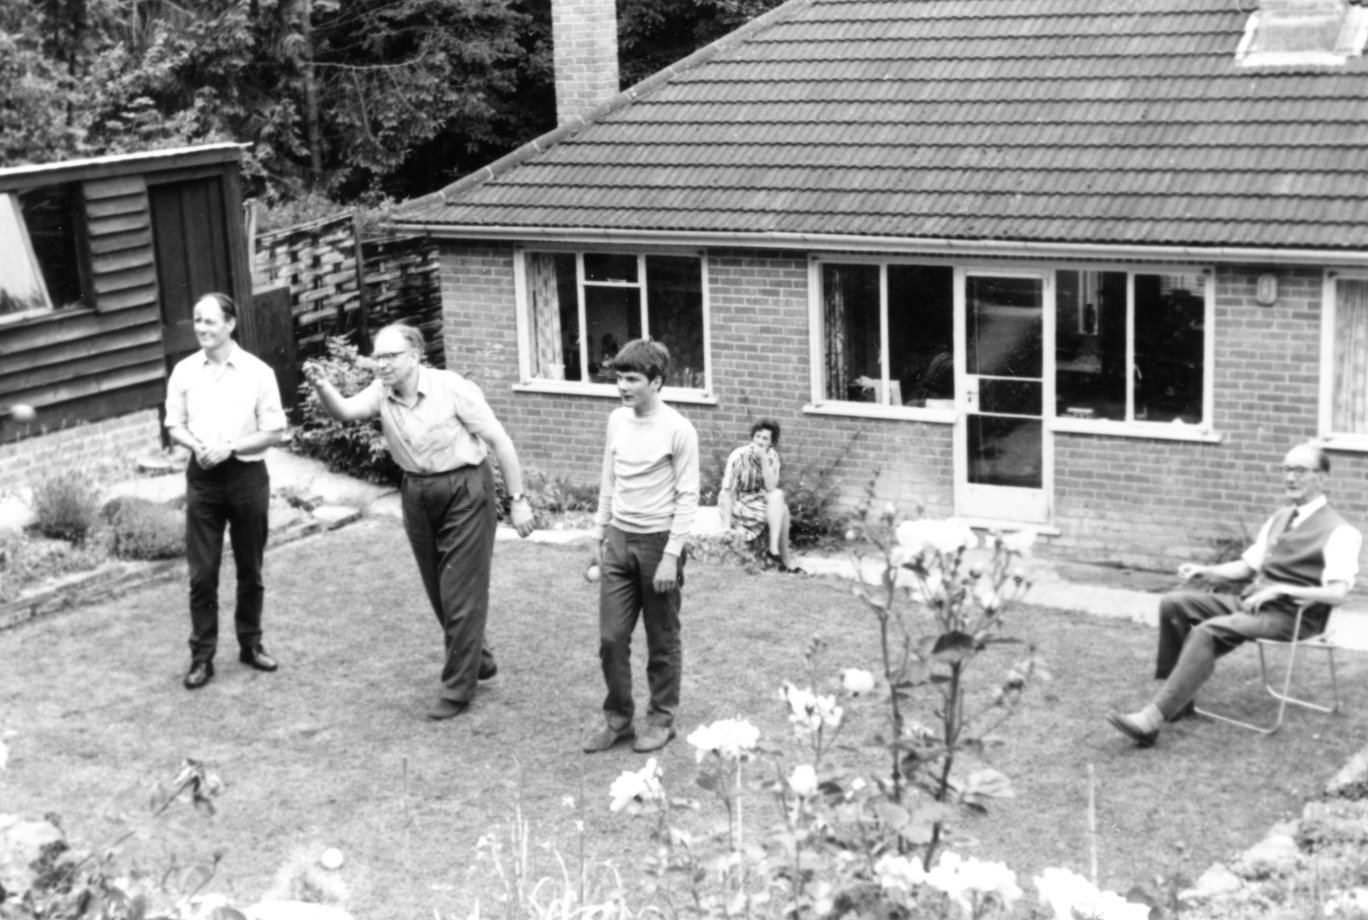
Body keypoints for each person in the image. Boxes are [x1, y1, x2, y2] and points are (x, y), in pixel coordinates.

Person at [302, 323, 535, 720]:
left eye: (390, 356)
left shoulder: (452, 388)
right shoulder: (380, 393)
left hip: (466, 490)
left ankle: (457, 689)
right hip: (417, 494)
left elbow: (500, 442)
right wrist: (324, 386)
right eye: (377, 356)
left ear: (415, 355)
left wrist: (518, 501)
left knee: (459, 590)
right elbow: (344, 412)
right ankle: (478, 660)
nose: (382, 364)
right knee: (439, 590)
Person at [1107, 441, 1362, 747]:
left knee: (1207, 632)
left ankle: (1152, 719)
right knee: (1175, 604)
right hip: (1252, 604)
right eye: (1286, 469)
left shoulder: (1341, 531)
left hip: (1293, 616)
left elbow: (1338, 593)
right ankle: (1176, 701)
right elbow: (1247, 566)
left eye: (1299, 470)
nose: (1290, 478)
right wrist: (1206, 571)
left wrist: (1281, 589)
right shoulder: (1280, 517)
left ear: (1322, 478)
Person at [164, 293, 289, 690]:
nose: (201, 328)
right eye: (197, 320)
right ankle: (202, 658)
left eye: (210, 321)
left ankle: (251, 645)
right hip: (203, 478)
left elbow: (274, 430)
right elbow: (174, 424)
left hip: (246, 478)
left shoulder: (258, 372)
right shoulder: (184, 371)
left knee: (250, 570)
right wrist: (195, 444)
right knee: (202, 575)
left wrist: (230, 447)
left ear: (230, 324)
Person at [582, 338, 699, 754]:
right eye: (619, 378)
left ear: (657, 381)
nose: (623, 386)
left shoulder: (679, 429)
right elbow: (609, 481)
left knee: (662, 639)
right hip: (618, 540)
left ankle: (662, 720)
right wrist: (598, 535)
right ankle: (618, 720)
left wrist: (671, 555)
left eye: (632, 379)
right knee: (611, 638)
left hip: (658, 546)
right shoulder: (617, 420)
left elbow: (688, 497)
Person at [718, 419, 796, 571]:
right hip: (738, 501)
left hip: (758, 499)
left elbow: (771, 487)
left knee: (778, 495)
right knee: (783, 511)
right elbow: (728, 492)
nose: (760, 441)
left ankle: (774, 550)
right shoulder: (739, 456)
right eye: (758, 437)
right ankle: (785, 559)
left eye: (765, 438)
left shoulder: (772, 456)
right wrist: (726, 526)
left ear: (772, 442)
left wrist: (764, 461)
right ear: (752, 437)